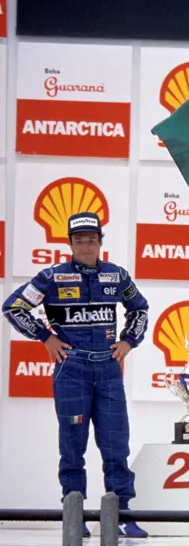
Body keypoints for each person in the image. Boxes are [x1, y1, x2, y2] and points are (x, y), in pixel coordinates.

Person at [2, 212, 151, 539]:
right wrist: (46, 337)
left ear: (100, 242)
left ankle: (123, 515)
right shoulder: (51, 277)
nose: (86, 246)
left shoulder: (116, 275)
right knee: (72, 447)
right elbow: (13, 307)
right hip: (71, 371)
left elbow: (139, 308)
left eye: (91, 240)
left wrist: (129, 340)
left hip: (109, 371)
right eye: (79, 241)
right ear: (70, 243)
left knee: (116, 445)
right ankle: (75, 515)